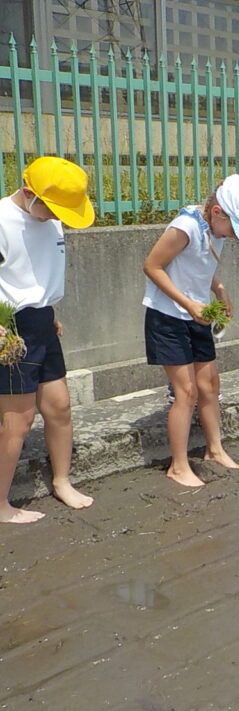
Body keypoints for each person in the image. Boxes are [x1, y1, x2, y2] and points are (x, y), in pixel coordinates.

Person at [142, 174, 239, 487]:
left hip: (196, 314)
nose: (233, 236)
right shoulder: (186, 227)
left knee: (209, 385)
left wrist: (219, 290)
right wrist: (188, 304)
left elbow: (200, 267)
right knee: (186, 392)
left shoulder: (213, 226)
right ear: (219, 212)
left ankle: (214, 450)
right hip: (168, 316)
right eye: (234, 229)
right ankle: (178, 466)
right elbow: (152, 266)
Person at [0, 157, 95, 523]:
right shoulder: (3, 220)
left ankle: (62, 481)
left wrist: (49, 313)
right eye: (52, 209)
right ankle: (1, 503)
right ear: (29, 193)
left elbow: (37, 272)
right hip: (11, 327)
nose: (57, 216)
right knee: (19, 420)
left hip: (42, 321)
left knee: (60, 407)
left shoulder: (51, 219)